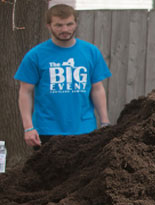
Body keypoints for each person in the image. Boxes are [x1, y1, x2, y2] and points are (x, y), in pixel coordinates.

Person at [15, 4, 112, 148]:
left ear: (76, 23)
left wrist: (105, 122)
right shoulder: (35, 55)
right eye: (59, 25)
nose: (65, 29)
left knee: (84, 171)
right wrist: (28, 128)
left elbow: (97, 89)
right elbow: (25, 92)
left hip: (85, 129)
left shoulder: (91, 52)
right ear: (49, 26)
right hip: (47, 130)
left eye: (69, 24)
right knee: (47, 171)